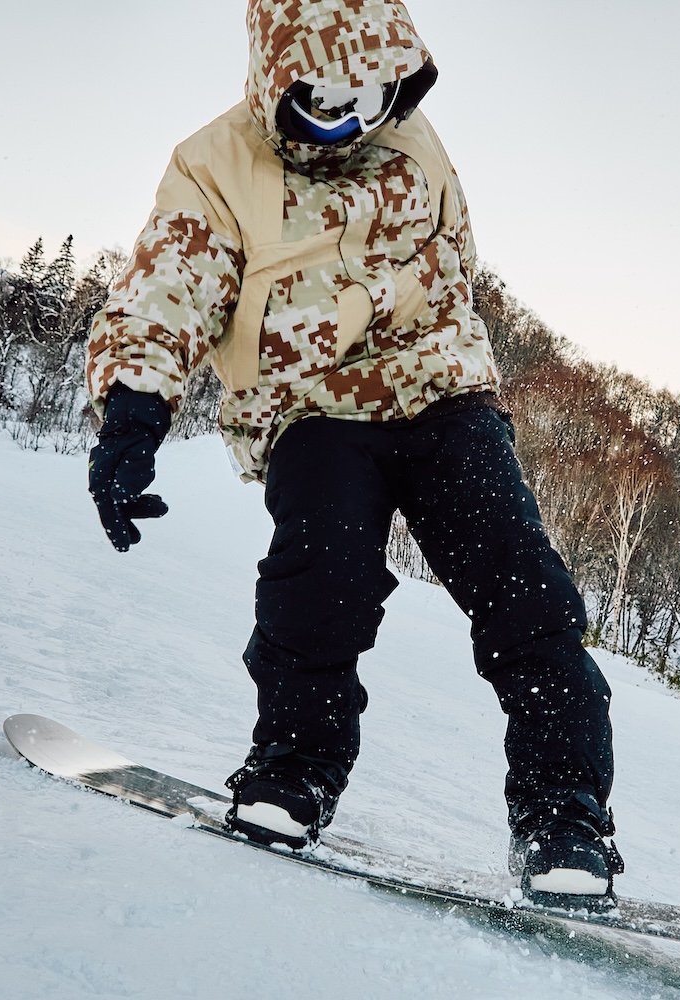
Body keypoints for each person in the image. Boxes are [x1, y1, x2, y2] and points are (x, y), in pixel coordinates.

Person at [83, 0, 621, 904]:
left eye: (374, 100)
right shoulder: (214, 167)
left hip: (441, 392)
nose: (353, 126)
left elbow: (451, 271)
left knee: (525, 589)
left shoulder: (413, 142)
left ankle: (563, 816)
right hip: (311, 408)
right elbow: (166, 290)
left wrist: (409, 343)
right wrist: (133, 418)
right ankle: (294, 771)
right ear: (274, 80)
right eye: (325, 106)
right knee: (320, 578)